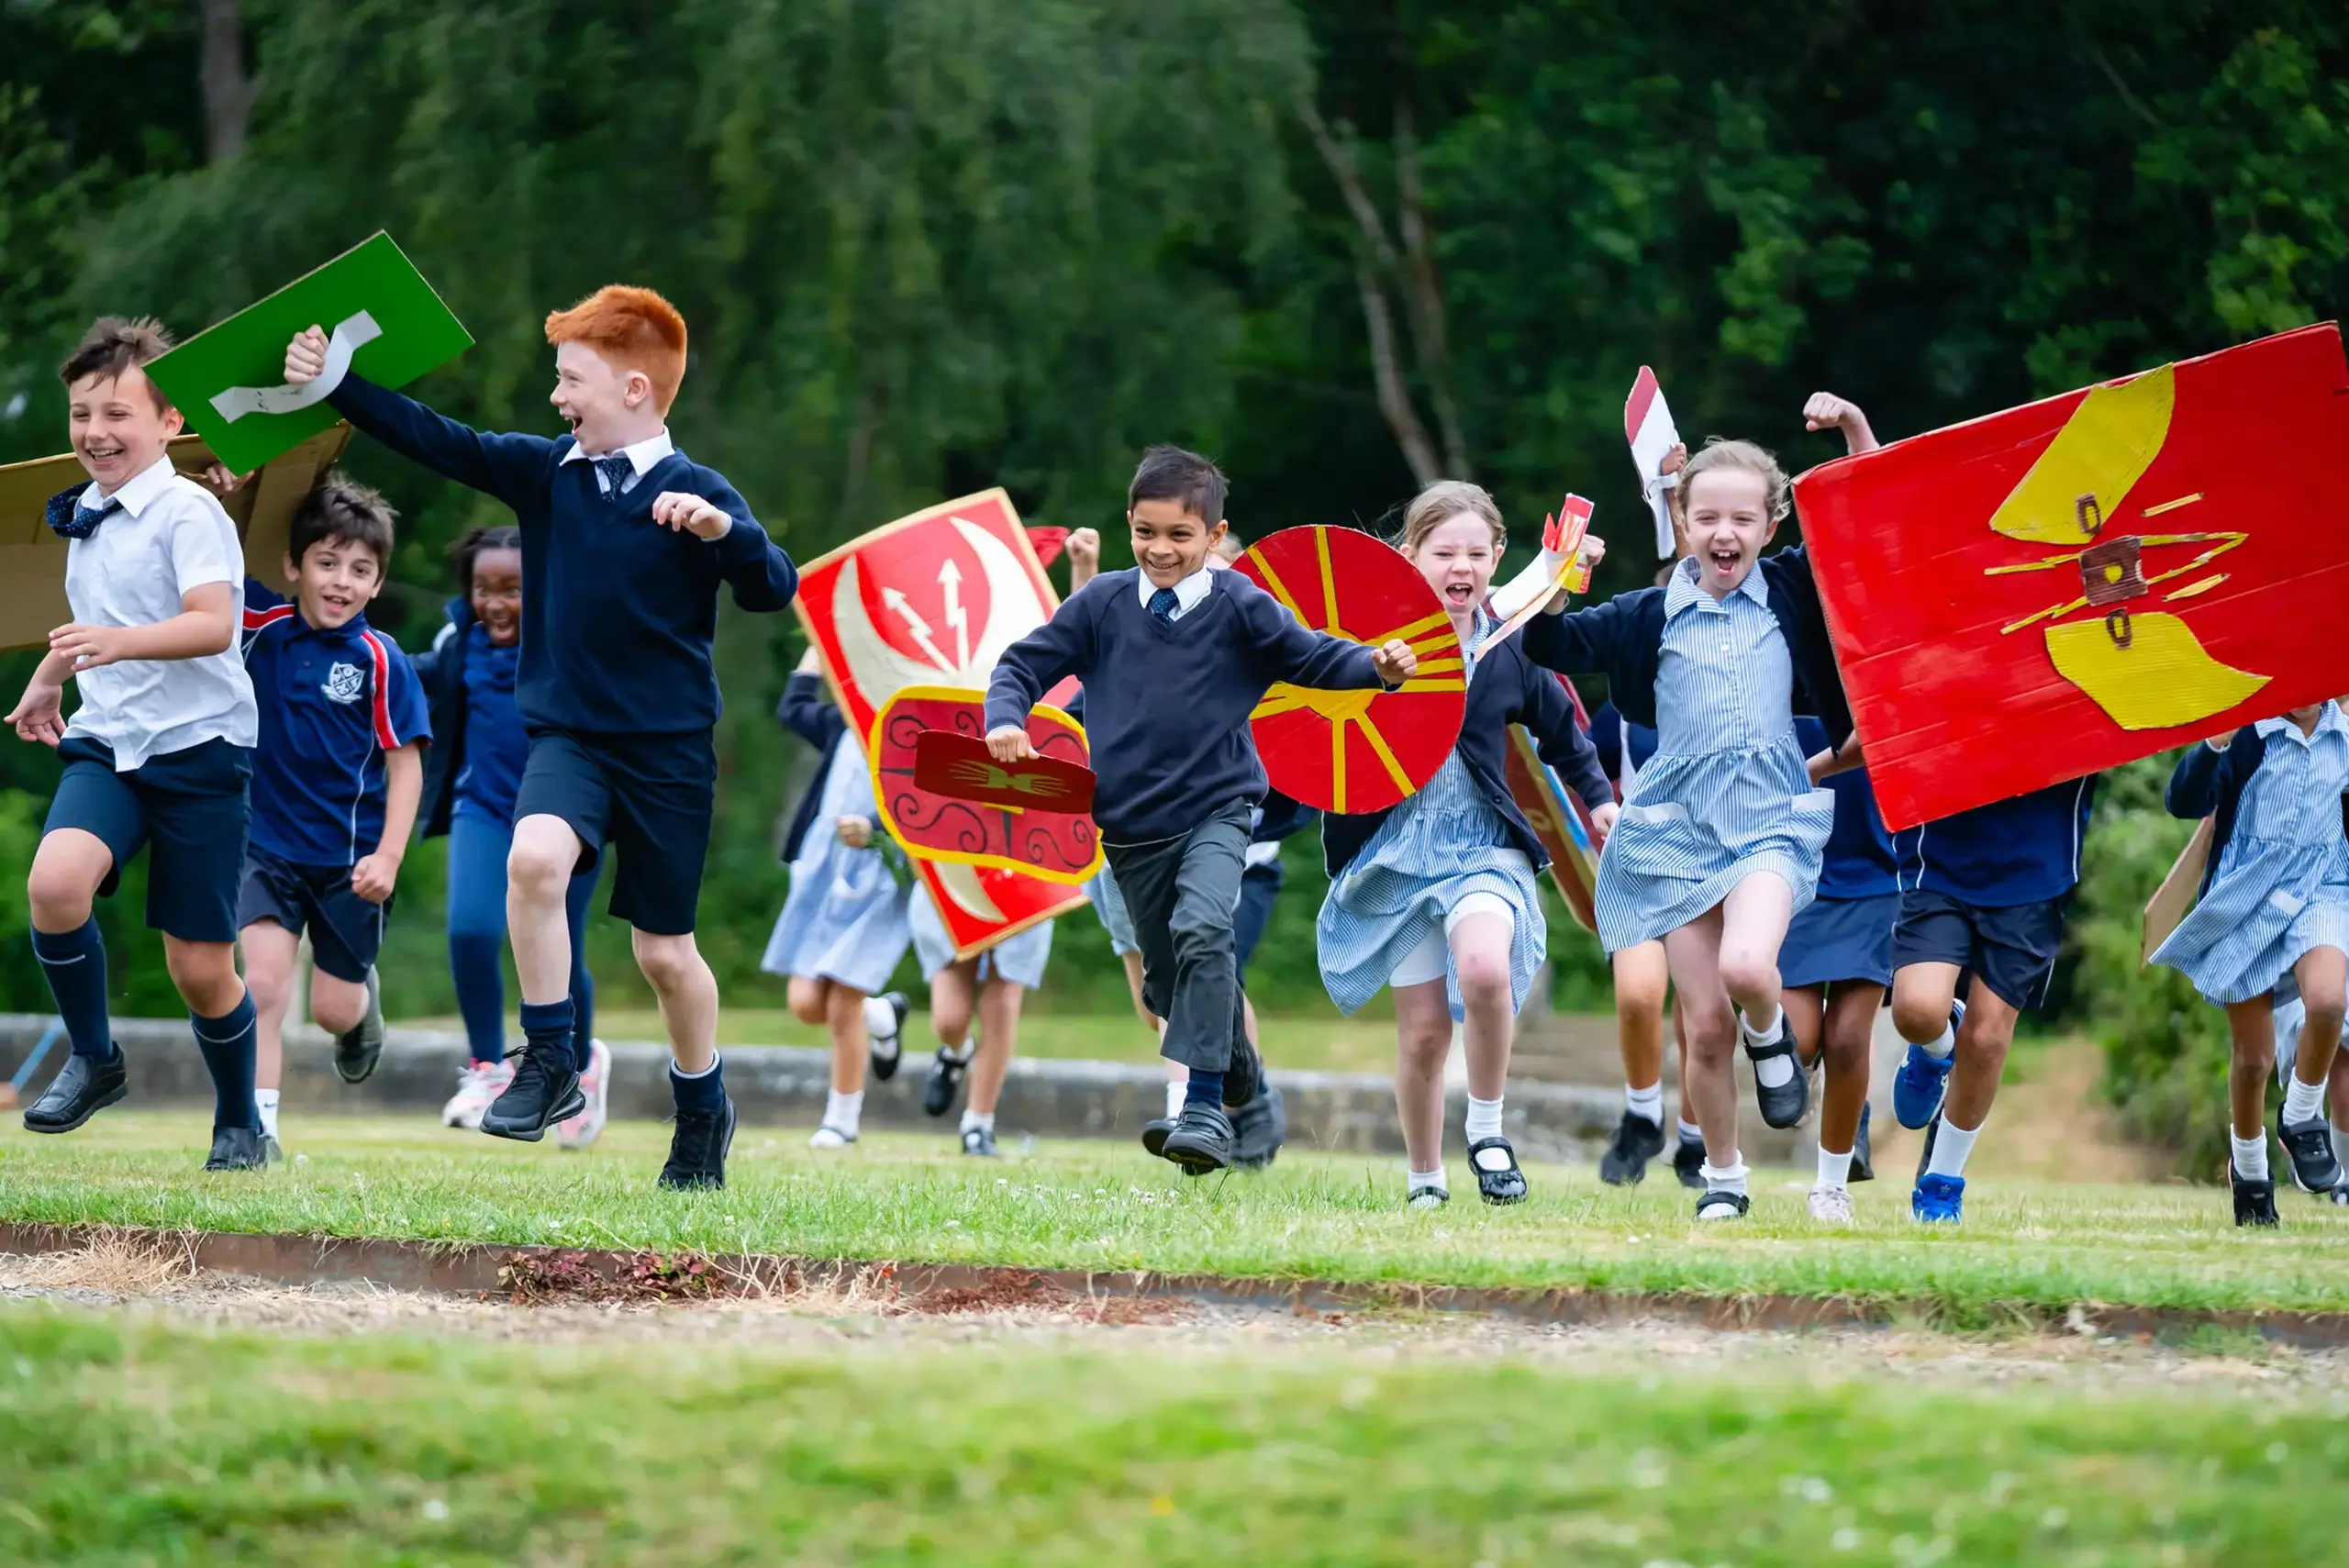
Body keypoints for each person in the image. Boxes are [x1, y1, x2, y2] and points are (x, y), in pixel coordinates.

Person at [286, 284, 798, 1189]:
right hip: (570, 738)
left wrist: (727, 534)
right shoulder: (545, 475)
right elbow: (436, 437)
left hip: (668, 752)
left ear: (635, 389)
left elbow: (771, 587)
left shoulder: (698, 493)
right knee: (532, 860)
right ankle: (551, 1058)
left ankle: (701, 1103)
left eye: (572, 379)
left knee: (663, 955)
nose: (557, 397)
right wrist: (340, 384)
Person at [985, 444, 1416, 1173]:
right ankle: (1239, 1059)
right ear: (1129, 525)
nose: (1161, 549)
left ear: (1215, 538)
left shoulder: (1240, 605)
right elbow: (1023, 664)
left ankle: (1207, 1110)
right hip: (1129, 828)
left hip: (1219, 809)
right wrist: (1007, 717)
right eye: (1146, 532)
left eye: (1180, 536)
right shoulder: (1103, 604)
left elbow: (1310, 657)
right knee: (1164, 985)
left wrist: (1374, 667)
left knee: (1205, 925)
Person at [1524, 435, 1853, 1220]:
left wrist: (1850, 429)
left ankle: (1771, 1038)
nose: (1724, 533)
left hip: (1771, 815)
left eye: (1743, 517)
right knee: (1704, 1027)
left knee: (1748, 968)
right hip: (1678, 827)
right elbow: (1549, 642)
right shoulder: (1648, 613)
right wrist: (1561, 578)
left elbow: (1865, 515)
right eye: (1707, 517)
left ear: (1771, 524)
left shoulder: (1792, 590)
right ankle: (1726, 1182)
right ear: (1681, 519)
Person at [10, 317, 266, 1169]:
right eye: (82, 414)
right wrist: (51, 674)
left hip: (200, 752)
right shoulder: (87, 510)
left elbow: (212, 623)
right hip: (110, 740)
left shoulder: (190, 511)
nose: (95, 432)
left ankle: (239, 1121)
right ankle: (94, 1057)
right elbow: (94, 622)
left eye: (118, 413)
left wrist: (115, 644)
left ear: (169, 423)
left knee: (200, 970)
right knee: (54, 883)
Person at [1317, 481, 1614, 1207]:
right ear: (1407, 556)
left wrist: (1601, 799)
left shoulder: (1510, 647)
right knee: (1422, 1034)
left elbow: (1561, 730)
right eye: (1444, 552)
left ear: (1497, 559)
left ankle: (1487, 1128)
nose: (1462, 567)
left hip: (1483, 845)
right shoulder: (1373, 647)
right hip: (1396, 850)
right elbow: (1312, 726)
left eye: (1477, 553)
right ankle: (1425, 1180)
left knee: (1484, 969)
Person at [236, 477, 430, 1160]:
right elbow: (214, 557)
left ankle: (360, 1010)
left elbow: (406, 764)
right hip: (264, 846)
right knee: (260, 985)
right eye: (326, 562)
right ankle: (256, 1129)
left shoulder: (381, 660)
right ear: (293, 566)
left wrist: (389, 857)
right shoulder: (259, 626)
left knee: (331, 1010)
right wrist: (241, 493)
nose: (341, 581)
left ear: (377, 583)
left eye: (360, 569)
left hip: (351, 863)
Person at [412, 526, 606, 1144]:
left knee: (562, 950)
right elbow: (402, 678)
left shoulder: (570, 642)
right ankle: (488, 1065)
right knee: (471, 928)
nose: (495, 602)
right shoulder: (457, 641)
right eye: (483, 588)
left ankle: (578, 1069)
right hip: (484, 807)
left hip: (566, 818)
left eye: (513, 589)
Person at [2152, 701, 2348, 1224]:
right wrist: (2214, 743)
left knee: (2329, 1001)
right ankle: (2251, 1168)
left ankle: (2302, 1114)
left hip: (2320, 888)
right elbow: (2183, 801)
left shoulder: (2343, 733)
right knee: (2254, 1059)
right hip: (2247, 897)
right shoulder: (2249, 733)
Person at [763, 648, 911, 1149]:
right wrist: (815, 651)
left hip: (882, 883)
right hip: (824, 878)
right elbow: (792, 707)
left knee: (842, 1003)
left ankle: (841, 1122)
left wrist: (873, 828)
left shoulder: (918, 743)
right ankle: (882, 1015)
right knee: (806, 1003)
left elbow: (932, 810)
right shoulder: (841, 725)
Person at [1779, 713, 1895, 1220]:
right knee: (1798, 1043)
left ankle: (1831, 1188)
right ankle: (1847, 1097)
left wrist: (1819, 766)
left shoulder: (1880, 650)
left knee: (1848, 1039)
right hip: (1790, 864)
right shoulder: (1773, 642)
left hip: (1876, 871)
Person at [907, 889, 1052, 1156]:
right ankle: (956, 1052)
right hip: (956, 873)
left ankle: (978, 1125)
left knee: (1002, 1002)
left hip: (1022, 876)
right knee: (949, 1021)